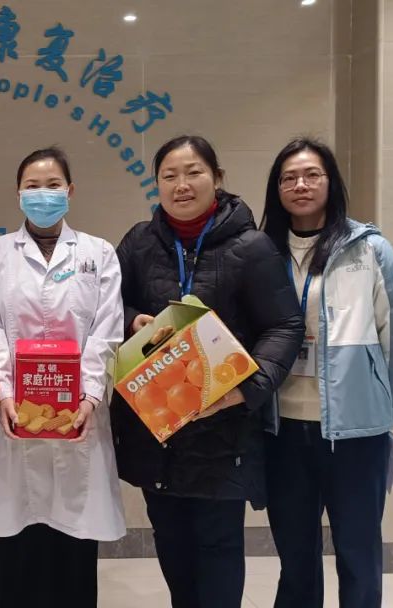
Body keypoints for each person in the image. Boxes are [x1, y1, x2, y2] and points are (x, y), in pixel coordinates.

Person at [111, 135, 304, 608]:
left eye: (193, 172)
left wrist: (247, 389)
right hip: (157, 429)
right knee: (172, 547)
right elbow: (106, 307)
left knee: (218, 551)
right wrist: (132, 320)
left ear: (217, 178)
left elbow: (284, 325)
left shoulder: (251, 247)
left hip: (224, 429)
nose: (181, 184)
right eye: (169, 175)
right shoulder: (138, 243)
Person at [260, 137, 393, 608]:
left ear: (331, 182)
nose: (300, 185)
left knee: (358, 553)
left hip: (356, 433)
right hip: (282, 428)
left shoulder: (368, 249)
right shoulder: (262, 252)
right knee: (295, 557)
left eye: (312, 175)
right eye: (289, 178)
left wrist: (384, 412)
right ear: (276, 189)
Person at [0, 147, 125, 608]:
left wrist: (90, 395)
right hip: (15, 415)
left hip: (78, 415)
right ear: (18, 193)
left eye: (53, 184)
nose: (43, 194)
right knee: (20, 543)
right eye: (33, 186)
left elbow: (106, 331)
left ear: (70, 191)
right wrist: (4, 391)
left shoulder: (98, 253)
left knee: (74, 544)